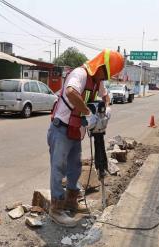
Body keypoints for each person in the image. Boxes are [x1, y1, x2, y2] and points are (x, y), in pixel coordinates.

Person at [47, 49, 124, 227]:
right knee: (58, 168)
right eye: (106, 73)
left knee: (75, 166)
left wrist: (107, 108)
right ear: (100, 66)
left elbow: (105, 96)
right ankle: (56, 208)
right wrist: (88, 113)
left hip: (75, 130)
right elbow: (71, 92)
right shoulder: (80, 74)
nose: (106, 78)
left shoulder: (98, 80)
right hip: (61, 128)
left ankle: (71, 201)